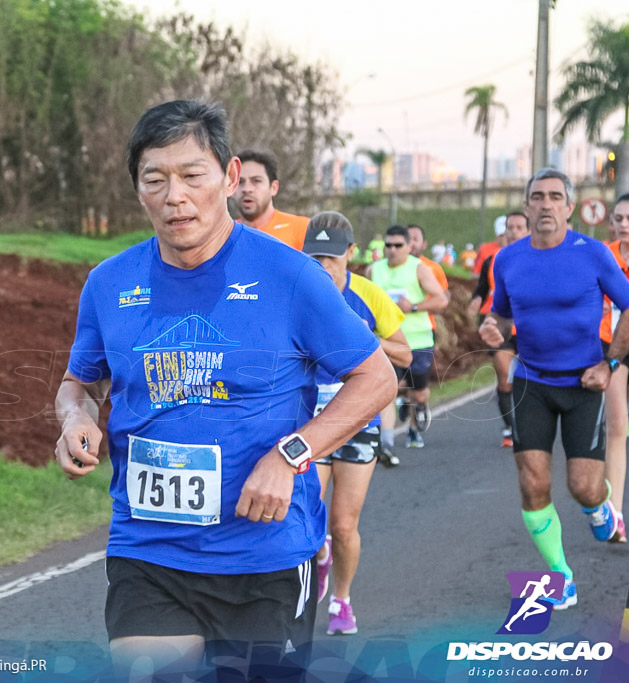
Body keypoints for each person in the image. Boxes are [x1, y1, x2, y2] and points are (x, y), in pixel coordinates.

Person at [54, 100, 396, 679]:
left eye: (192, 175)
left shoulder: (290, 276)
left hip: (263, 554)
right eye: (155, 179)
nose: (174, 195)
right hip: (149, 549)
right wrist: (74, 419)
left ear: (231, 178)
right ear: (137, 188)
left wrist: (290, 456)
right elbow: (80, 384)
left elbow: (377, 378)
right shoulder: (109, 283)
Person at [480, 168, 629, 610]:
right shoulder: (508, 260)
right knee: (533, 483)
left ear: (569, 207)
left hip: (583, 384)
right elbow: (502, 316)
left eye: (555, 196)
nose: (546, 204)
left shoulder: (592, 254)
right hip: (531, 381)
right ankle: (560, 575)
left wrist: (610, 365)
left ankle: (601, 507)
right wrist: (493, 329)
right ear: (526, 206)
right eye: (538, 197)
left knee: (583, 487)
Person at [303, 212, 411, 636]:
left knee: (344, 524)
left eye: (331, 257)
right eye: (315, 257)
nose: (323, 266)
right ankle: (319, 558)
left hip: (358, 415)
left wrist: (366, 337)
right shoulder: (301, 293)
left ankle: (342, 600)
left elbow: (404, 355)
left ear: (351, 254)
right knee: (308, 515)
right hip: (312, 418)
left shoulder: (368, 294)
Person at [369, 225, 447, 458]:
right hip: (387, 342)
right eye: (388, 245)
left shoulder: (419, 269)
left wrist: (412, 307)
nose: (392, 250)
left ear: (408, 246)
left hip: (418, 341)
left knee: (419, 392)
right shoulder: (374, 270)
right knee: (387, 389)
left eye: (398, 245)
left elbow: (441, 300)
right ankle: (387, 442)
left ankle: (414, 420)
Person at [468, 212, 528, 448]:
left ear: (528, 231)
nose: (512, 232)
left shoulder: (539, 258)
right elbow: (482, 288)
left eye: (518, 227)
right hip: (500, 321)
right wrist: (475, 300)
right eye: (509, 228)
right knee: (504, 375)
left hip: (529, 324)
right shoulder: (493, 260)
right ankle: (509, 425)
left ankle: (531, 420)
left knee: (531, 377)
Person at [601, 193, 629, 542]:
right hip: (615, 345)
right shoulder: (604, 254)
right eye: (619, 218)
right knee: (616, 428)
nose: (624, 225)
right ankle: (616, 515)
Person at [232, 149, 309, 250]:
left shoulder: (301, 228)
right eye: (240, 182)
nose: (247, 189)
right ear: (231, 187)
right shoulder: (224, 235)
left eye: (256, 181)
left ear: (274, 188)